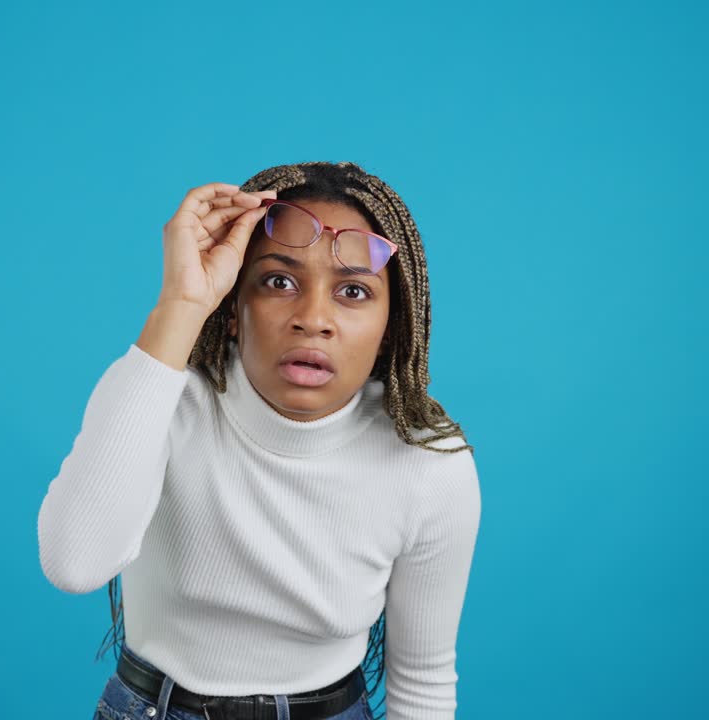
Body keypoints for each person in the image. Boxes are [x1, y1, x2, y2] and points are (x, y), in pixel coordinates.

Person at [38, 161, 481, 720]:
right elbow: (74, 563)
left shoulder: (428, 462)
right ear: (232, 309)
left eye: (352, 290)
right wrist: (182, 305)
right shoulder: (159, 398)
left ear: (391, 325)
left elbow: (423, 685)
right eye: (279, 282)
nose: (313, 318)